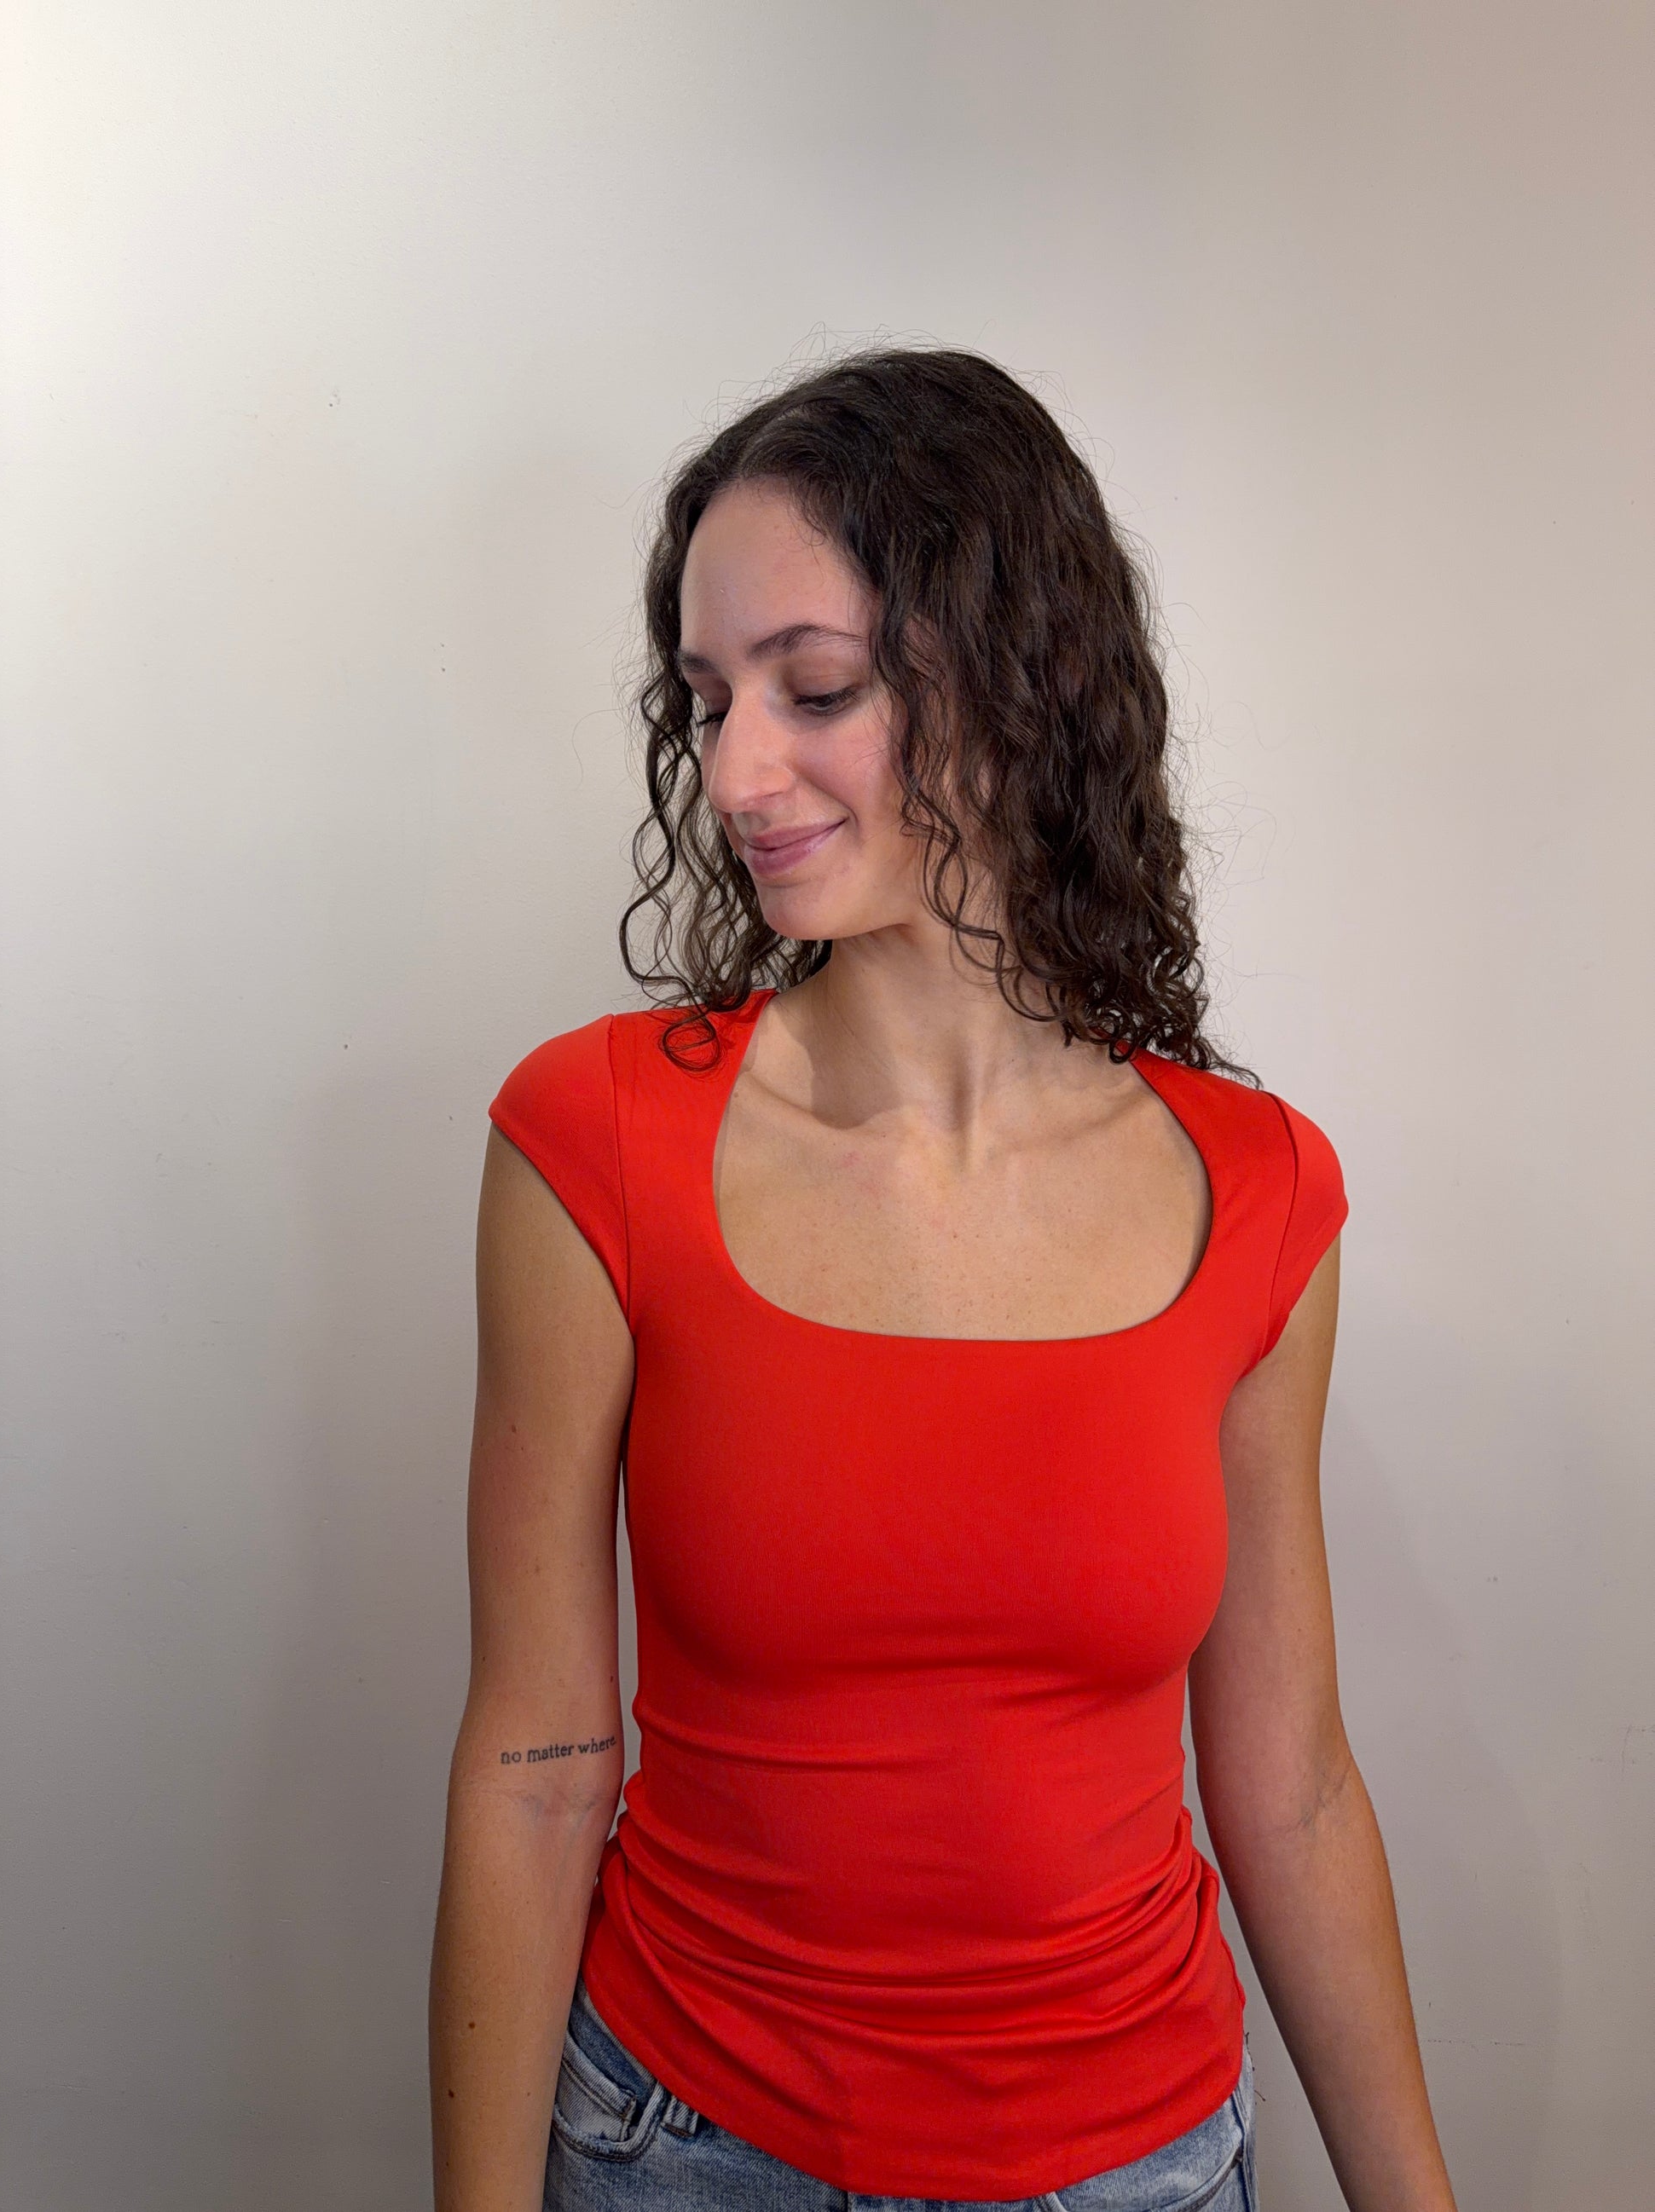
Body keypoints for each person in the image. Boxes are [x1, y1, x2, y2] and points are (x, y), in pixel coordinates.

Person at [429, 349, 1458, 2212]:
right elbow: (535, 1758)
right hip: (682, 2146)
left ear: (1009, 672)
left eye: (814, 688)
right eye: (707, 701)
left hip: (1140, 2163)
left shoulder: (1258, 1193)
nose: (736, 771)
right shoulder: (595, 1142)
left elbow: (1291, 1783)